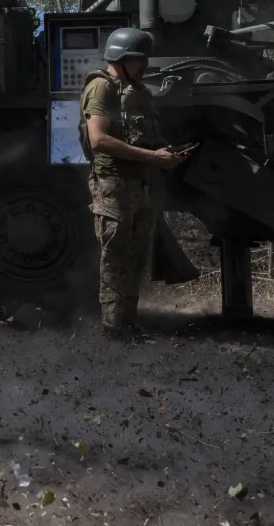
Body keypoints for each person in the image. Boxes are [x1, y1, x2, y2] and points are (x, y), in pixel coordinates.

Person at [79, 27, 192, 340]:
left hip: (140, 183)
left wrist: (167, 151)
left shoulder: (135, 89)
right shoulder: (101, 87)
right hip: (113, 184)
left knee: (136, 258)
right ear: (122, 57)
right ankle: (113, 328)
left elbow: (142, 135)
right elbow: (98, 139)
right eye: (139, 58)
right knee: (114, 258)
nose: (145, 64)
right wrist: (152, 156)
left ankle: (128, 323)